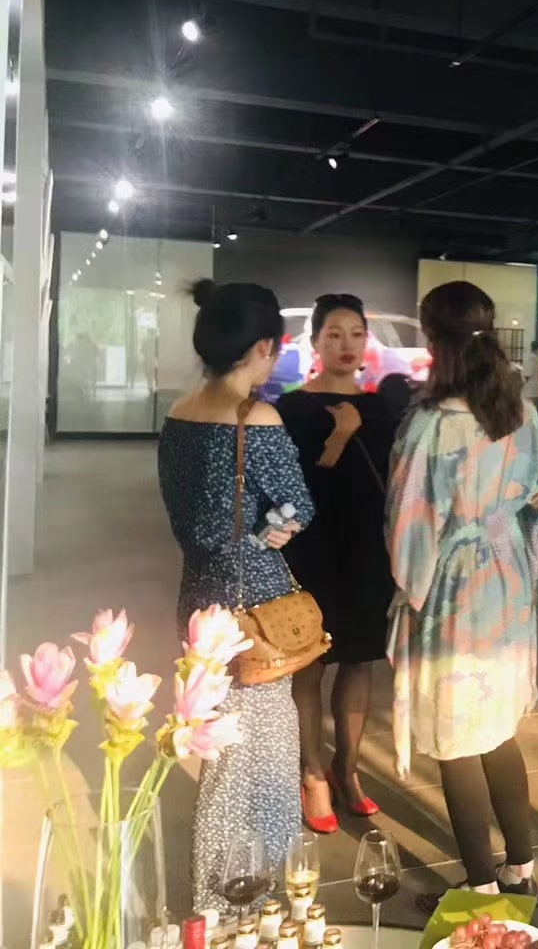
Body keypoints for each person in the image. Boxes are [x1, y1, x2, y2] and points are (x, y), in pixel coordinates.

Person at [388, 281, 538, 907]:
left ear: (431, 338)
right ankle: (521, 868)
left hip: (454, 582)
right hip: (507, 579)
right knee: (497, 728)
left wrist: (409, 588)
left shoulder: (431, 425)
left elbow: (408, 524)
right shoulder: (518, 410)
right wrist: (509, 528)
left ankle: (480, 884)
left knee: (456, 734)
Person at [157, 280, 315, 909]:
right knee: (264, 759)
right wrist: (274, 529)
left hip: (199, 601)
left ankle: (221, 896)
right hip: (255, 613)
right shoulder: (258, 417)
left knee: (220, 748)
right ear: (263, 347)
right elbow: (297, 505)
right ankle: (248, 900)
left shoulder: (179, 412)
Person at [275, 294, 399, 833]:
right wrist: (341, 435)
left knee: (360, 660)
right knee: (311, 661)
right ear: (315, 342)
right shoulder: (291, 409)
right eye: (334, 334)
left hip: (368, 548)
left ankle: (346, 770)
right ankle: (312, 774)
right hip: (311, 549)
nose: (346, 344)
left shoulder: (383, 407)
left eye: (356, 334)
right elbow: (293, 488)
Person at [522, 339, 538, 415]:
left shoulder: (536, 359)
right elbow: (526, 375)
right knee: (529, 413)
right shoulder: (531, 359)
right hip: (530, 392)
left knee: (532, 412)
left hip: (533, 392)